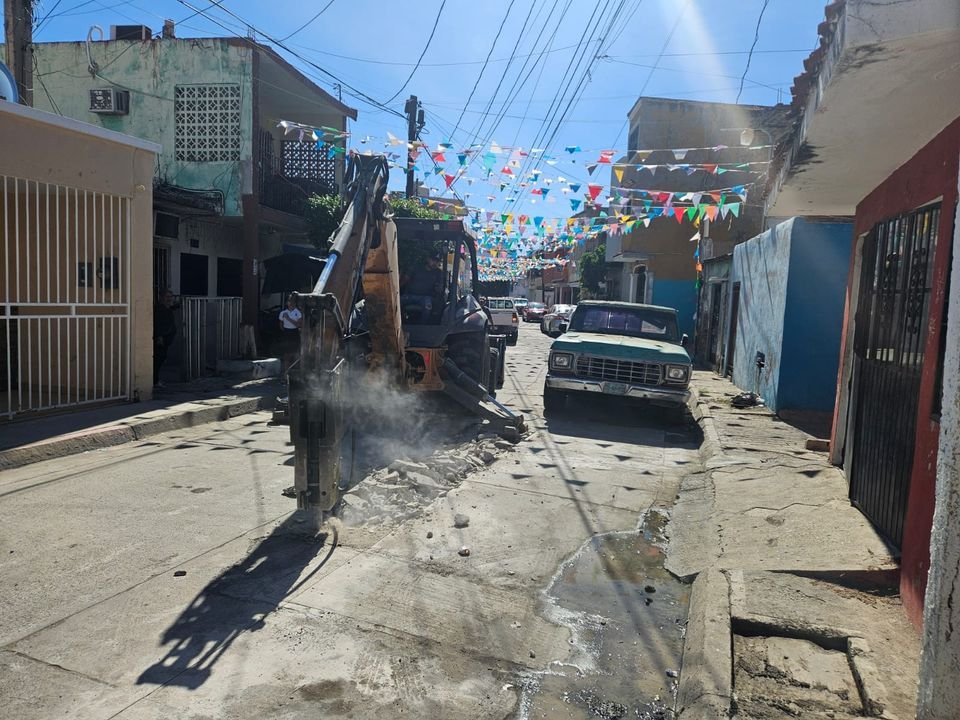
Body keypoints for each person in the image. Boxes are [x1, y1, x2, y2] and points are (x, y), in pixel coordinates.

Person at [401, 253, 444, 321]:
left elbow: (440, 288)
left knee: (428, 306)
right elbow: (405, 279)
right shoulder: (416, 268)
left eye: (437, 261)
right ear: (428, 259)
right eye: (433, 260)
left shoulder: (438, 273)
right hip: (410, 295)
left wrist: (438, 288)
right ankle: (402, 324)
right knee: (397, 302)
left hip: (426, 297)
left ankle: (422, 326)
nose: (435, 263)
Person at [153, 289, 178, 388]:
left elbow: (173, 307)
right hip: (161, 339)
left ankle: (156, 380)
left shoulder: (167, 308)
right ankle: (155, 380)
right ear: (161, 298)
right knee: (158, 359)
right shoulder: (159, 309)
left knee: (161, 359)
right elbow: (157, 324)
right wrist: (159, 337)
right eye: (167, 297)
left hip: (166, 339)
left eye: (171, 297)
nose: (169, 299)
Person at [278, 295, 303, 377]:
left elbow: (298, 324)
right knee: (286, 355)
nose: (291, 303)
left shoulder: (298, 313)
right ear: (287, 303)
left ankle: (296, 374)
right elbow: (281, 325)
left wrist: (288, 318)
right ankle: (286, 374)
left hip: (294, 333)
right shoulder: (283, 313)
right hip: (286, 333)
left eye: (292, 301)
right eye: (289, 301)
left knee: (296, 354)